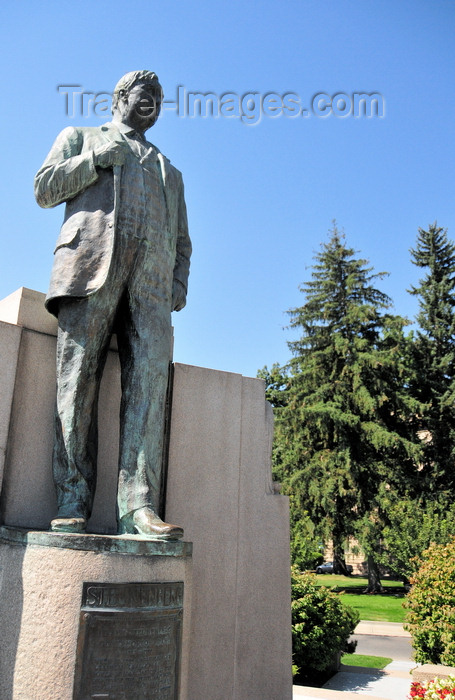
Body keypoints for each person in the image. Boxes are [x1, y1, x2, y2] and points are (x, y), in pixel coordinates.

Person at [34, 70, 191, 539]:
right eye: (146, 97)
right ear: (121, 97)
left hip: (150, 292)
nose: (153, 107)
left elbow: (183, 241)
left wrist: (177, 284)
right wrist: (93, 159)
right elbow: (43, 189)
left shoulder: (171, 171)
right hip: (90, 273)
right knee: (76, 384)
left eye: (160, 102)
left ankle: (138, 507)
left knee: (147, 392)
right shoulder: (80, 136)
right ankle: (72, 498)